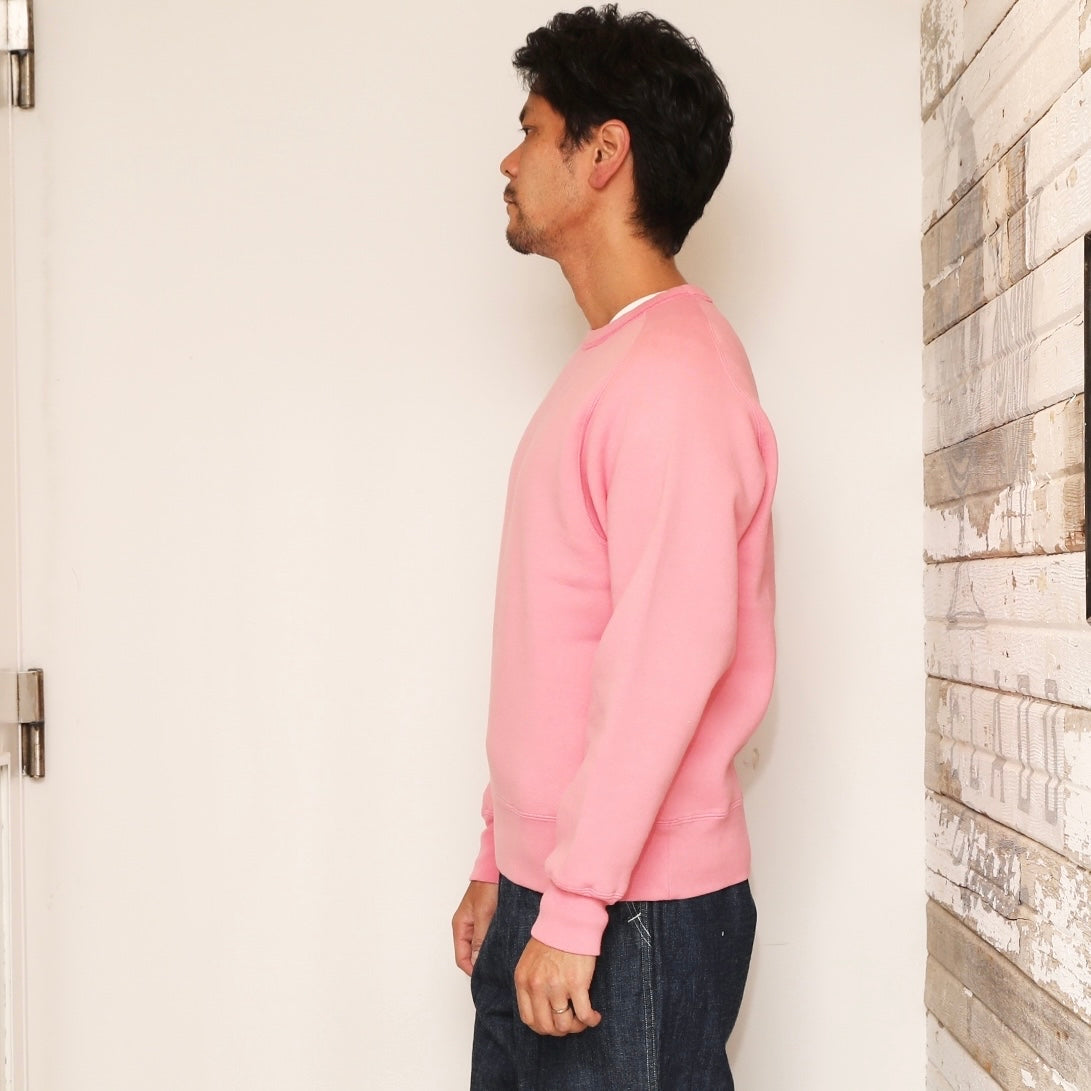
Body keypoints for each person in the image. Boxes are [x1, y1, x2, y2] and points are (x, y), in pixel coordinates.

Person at [451, 6, 777, 1088]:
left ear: (602, 153)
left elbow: (661, 666)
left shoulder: (675, 377)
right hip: (562, 895)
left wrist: (576, 900)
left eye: (530, 131)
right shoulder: (613, 364)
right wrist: (503, 856)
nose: (508, 161)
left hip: (630, 914)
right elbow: (559, 648)